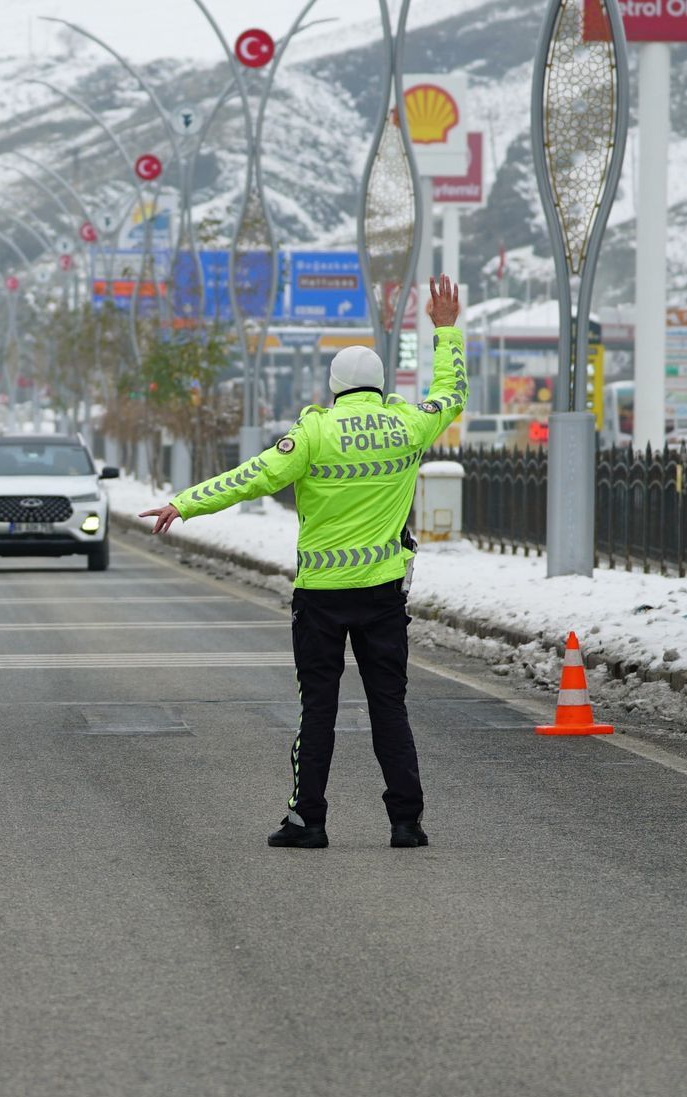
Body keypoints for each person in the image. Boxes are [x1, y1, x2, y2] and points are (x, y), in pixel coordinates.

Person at [140, 274, 468, 850]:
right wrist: (447, 332)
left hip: (321, 597)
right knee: (389, 706)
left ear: (334, 384)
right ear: (381, 383)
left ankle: (308, 820)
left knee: (318, 707)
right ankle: (406, 822)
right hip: (385, 593)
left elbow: (251, 478)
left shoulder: (314, 432)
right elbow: (451, 393)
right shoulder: (409, 426)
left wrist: (184, 504)